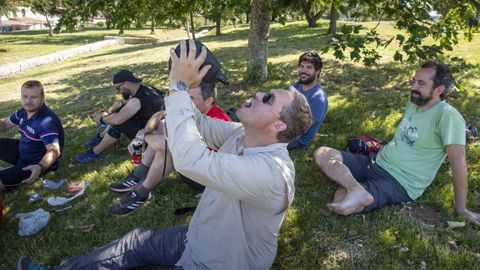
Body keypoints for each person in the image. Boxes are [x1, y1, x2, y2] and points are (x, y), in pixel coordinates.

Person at [17, 40, 312, 270]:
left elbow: (191, 160)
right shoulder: (241, 133)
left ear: (278, 125)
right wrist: (189, 85)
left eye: (268, 99)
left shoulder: (272, 173)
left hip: (222, 261)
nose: (257, 95)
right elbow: (197, 123)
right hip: (200, 236)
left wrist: (179, 87)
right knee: (134, 241)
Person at [313, 60, 480, 225]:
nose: (413, 87)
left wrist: (461, 208)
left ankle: (354, 189)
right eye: (414, 81)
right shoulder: (415, 102)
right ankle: (356, 188)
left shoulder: (448, 116)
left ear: (439, 89)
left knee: (342, 204)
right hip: (375, 162)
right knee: (322, 154)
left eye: (421, 83)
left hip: (399, 181)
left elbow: (459, 164)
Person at [108, 82, 232, 216]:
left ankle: (141, 192)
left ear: (209, 101)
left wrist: (144, 137)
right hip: (198, 166)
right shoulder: (196, 110)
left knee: (169, 147)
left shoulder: (217, 120)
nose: (186, 102)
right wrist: (145, 132)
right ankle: (138, 177)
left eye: (191, 99)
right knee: (163, 127)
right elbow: (161, 116)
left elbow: (166, 144)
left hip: (212, 182)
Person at [74, 69, 164, 164]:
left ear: (126, 84)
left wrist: (101, 119)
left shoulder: (136, 101)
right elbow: (121, 103)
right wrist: (107, 112)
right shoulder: (148, 89)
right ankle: (102, 137)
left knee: (120, 123)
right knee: (120, 113)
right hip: (161, 129)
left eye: (118, 88)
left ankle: (95, 152)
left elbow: (118, 120)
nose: (119, 92)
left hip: (149, 136)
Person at [0, 80, 64, 191]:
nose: (28, 101)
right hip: (22, 151)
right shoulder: (23, 112)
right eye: (25, 96)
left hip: (34, 164)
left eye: (33, 97)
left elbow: (54, 150)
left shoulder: (46, 121)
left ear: (42, 98)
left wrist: (40, 167)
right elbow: (5, 124)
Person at [287, 51, 328, 150]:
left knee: (258, 141)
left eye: (309, 67)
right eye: (301, 66)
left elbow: (303, 129)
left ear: (317, 71)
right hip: (284, 124)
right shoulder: (297, 86)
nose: (303, 71)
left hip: (297, 137)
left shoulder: (318, 98)